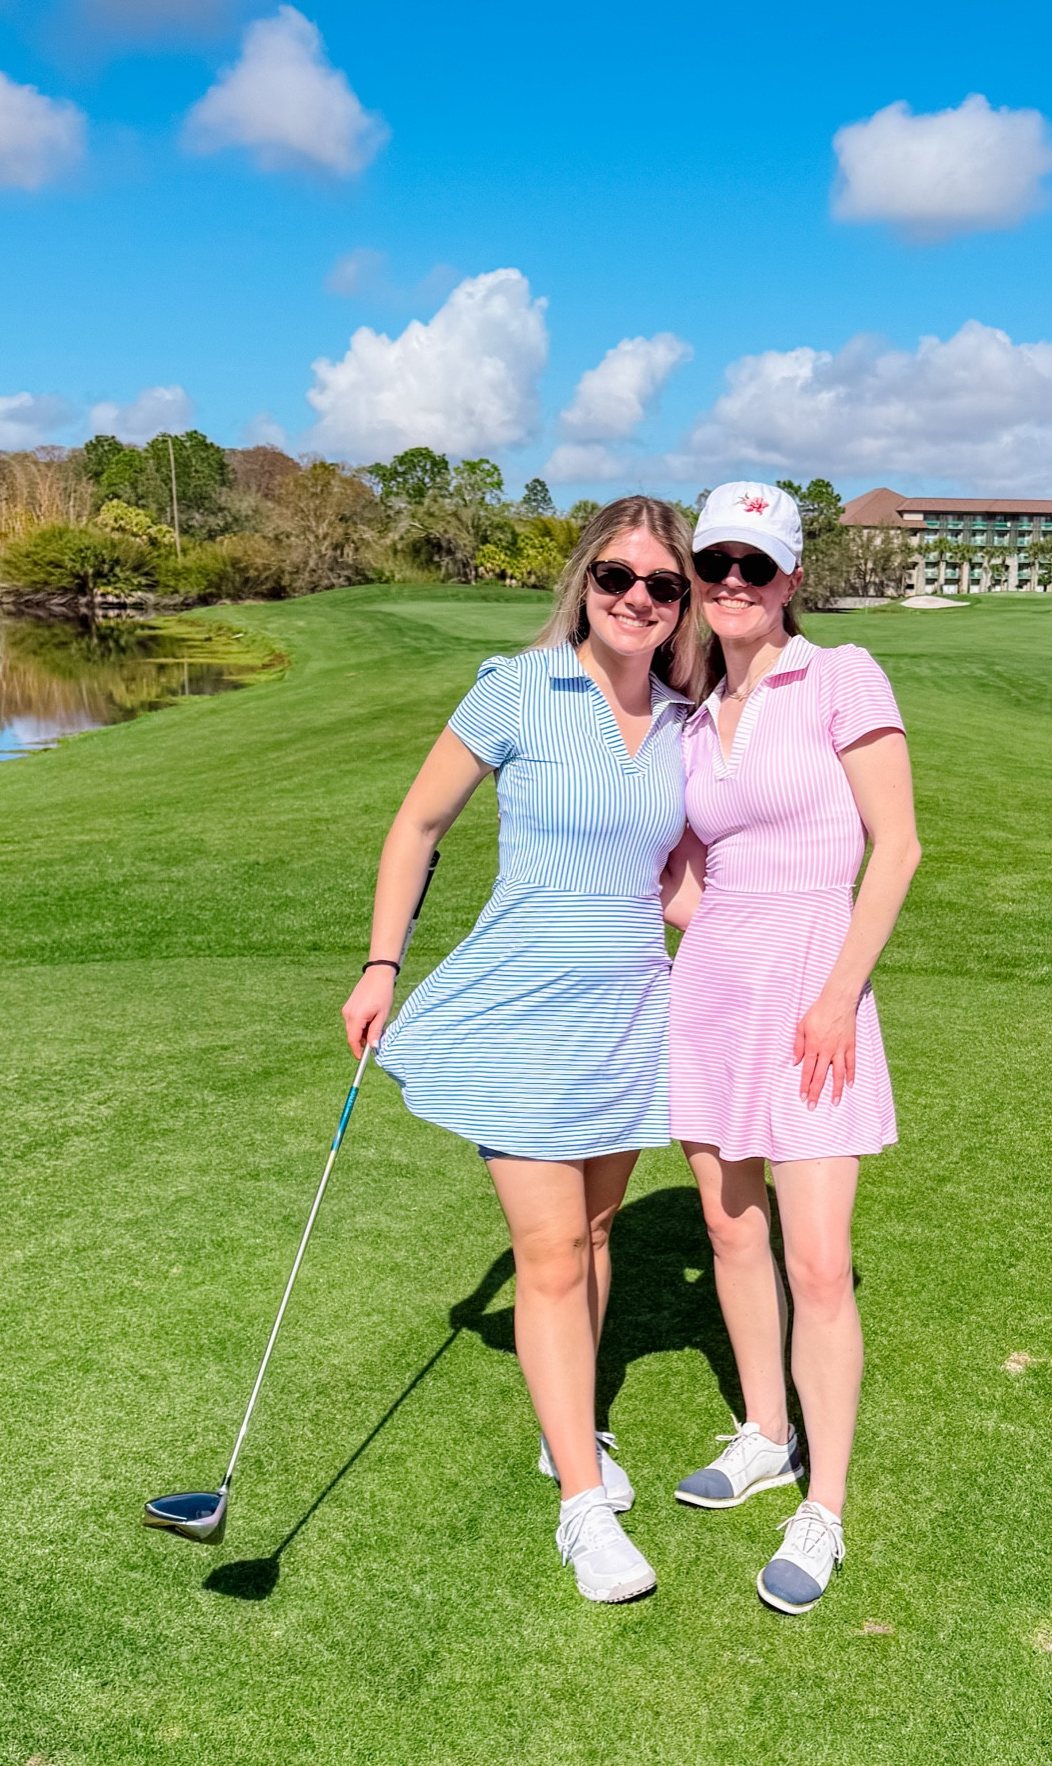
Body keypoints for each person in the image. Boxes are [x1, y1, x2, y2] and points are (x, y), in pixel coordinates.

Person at [342, 496, 698, 1605]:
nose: (636, 598)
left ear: (681, 601)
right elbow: (419, 825)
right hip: (524, 1010)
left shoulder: (689, 721)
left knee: (595, 1232)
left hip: (632, 1014)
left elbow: (681, 884)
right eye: (615, 577)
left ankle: (571, 1422)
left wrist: (793, 953)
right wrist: (380, 962)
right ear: (583, 582)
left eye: (660, 583)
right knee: (547, 1254)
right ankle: (580, 1507)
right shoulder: (517, 686)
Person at [661, 480, 921, 1614]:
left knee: (818, 1258)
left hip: (819, 988)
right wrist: (715, 932)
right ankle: (765, 1428)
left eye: (753, 566)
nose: (731, 582)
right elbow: (680, 875)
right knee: (727, 1222)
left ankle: (826, 1504)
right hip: (717, 989)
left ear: (790, 580)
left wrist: (832, 993)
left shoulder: (842, 673)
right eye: (714, 561)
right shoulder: (687, 712)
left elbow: (898, 847)